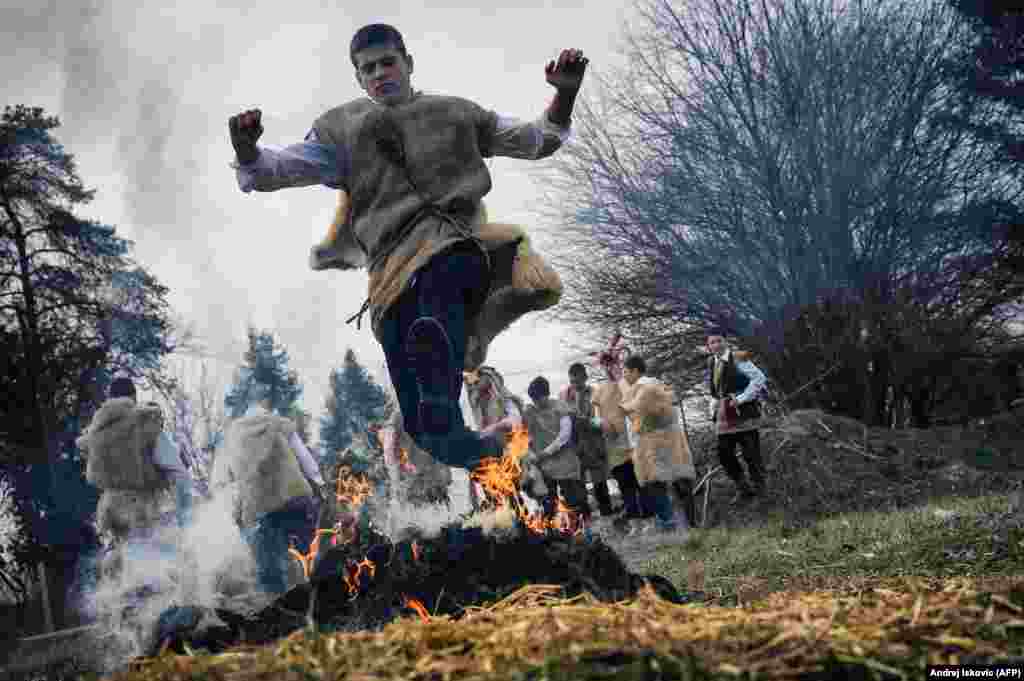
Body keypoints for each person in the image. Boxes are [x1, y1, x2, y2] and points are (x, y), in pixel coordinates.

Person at [228, 24, 587, 472]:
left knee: (436, 297)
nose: (380, 74)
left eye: (387, 62)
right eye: (368, 69)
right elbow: (281, 168)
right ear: (359, 79)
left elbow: (536, 139)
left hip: (455, 248)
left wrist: (565, 95)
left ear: (408, 63)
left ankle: (438, 367)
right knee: (426, 432)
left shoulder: (455, 113)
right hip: (389, 276)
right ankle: (495, 460)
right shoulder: (342, 130)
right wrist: (248, 153)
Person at [76, 377, 194, 584]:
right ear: (133, 397)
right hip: (140, 508)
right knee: (158, 571)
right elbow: (177, 471)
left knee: (123, 572)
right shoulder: (144, 424)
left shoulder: (96, 434)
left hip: (109, 511)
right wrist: (186, 512)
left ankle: (120, 606)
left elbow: (95, 477)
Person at [211, 386, 327, 596]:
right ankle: (324, 599)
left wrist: (234, 513)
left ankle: (283, 613)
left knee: (271, 570)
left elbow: (220, 481)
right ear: (265, 407)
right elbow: (306, 460)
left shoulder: (231, 436)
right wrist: (319, 484)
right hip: (296, 498)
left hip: (259, 509)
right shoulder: (278, 424)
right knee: (311, 553)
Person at [620, 356, 697, 533]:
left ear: (635, 371)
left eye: (625, 372)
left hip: (656, 442)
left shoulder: (645, 387)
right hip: (667, 439)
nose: (624, 376)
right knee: (677, 479)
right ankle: (688, 523)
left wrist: (624, 409)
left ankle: (672, 523)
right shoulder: (654, 385)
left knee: (658, 483)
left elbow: (636, 409)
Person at [706, 332, 768, 501]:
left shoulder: (738, 358)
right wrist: (713, 408)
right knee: (724, 453)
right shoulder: (711, 362)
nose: (716, 345)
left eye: (719, 341)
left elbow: (759, 379)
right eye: (712, 342)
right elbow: (715, 392)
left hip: (745, 413)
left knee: (751, 454)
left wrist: (741, 398)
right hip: (724, 415)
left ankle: (761, 490)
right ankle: (743, 488)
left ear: (725, 342)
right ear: (708, 346)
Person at [521, 376, 589, 524]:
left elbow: (564, 436)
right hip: (545, 466)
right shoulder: (530, 412)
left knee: (575, 500)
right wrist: (532, 455)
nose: (536, 403)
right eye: (533, 400)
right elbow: (525, 436)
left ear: (546, 395)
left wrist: (546, 452)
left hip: (565, 463)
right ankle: (554, 530)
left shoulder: (560, 407)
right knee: (549, 503)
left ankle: (583, 527)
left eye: (538, 399)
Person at [591, 352, 646, 528]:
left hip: (636, 443)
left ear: (619, 364)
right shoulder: (599, 390)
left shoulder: (630, 385)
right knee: (625, 485)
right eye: (605, 364)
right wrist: (602, 422)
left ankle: (651, 520)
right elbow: (594, 418)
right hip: (614, 446)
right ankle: (635, 523)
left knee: (642, 483)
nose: (609, 367)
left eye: (612, 363)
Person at [560, 363, 615, 518]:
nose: (575, 385)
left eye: (577, 381)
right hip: (575, 448)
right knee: (578, 488)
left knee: (600, 485)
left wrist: (588, 421)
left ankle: (607, 518)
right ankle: (587, 521)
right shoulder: (563, 396)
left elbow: (602, 421)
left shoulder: (595, 394)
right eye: (572, 381)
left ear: (585, 378)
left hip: (594, 446)